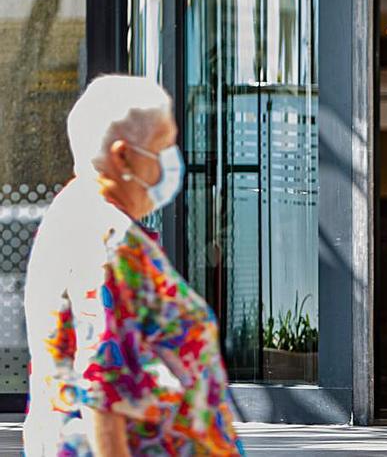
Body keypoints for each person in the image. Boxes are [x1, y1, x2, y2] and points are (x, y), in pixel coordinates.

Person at [23, 75, 243, 456]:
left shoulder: (74, 213)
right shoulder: (108, 237)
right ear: (122, 155)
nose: (173, 161)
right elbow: (101, 385)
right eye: (164, 146)